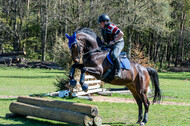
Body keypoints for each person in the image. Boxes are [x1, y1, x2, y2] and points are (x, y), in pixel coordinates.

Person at [98, 14, 124, 79]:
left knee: (114, 55)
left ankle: (119, 71)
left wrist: (114, 41)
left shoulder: (111, 26)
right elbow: (107, 37)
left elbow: (121, 34)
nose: (100, 24)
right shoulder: (103, 28)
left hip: (118, 43)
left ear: (105, 22)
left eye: (101, 22)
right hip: (111, 44)